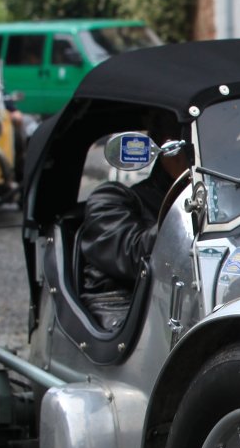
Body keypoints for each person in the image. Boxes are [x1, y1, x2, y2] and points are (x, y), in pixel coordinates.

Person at [76, 119, 193, 328]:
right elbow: (133, 257)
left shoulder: (229, 204)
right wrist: (194, 207)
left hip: (189, 305)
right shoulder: (111, 200)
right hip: (128, 308)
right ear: (172, 149)